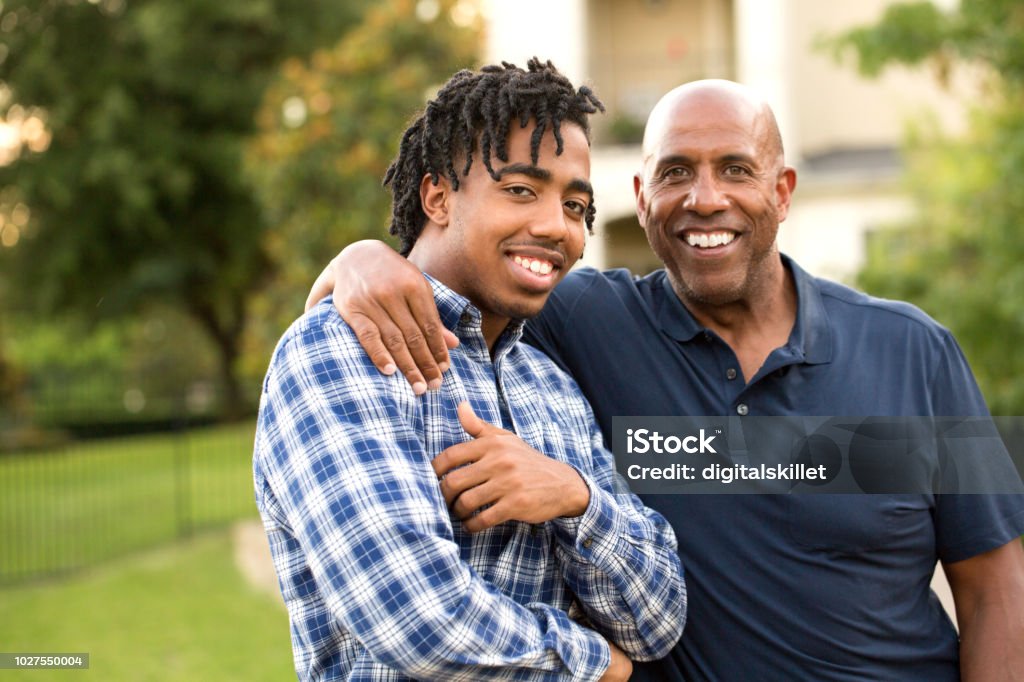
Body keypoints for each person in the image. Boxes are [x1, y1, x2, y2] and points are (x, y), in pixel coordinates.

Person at [306, 79, 1024, 680]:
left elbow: (995, 588)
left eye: (736, 170)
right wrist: (363, 258)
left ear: (783, 189)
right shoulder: (586, 322)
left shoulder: (913, 351)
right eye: (676, 172)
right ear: (643, 197)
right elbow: (469, 269)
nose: (705, 198)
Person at [253, 58, 686, 682]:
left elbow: (660, 620)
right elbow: (418, 620)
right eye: (520, 190)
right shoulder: (339, 354)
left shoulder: (552, 385)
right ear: (437, 196)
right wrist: (599, 667)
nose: (553, 226)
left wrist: (576, 498)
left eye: (574, 205)